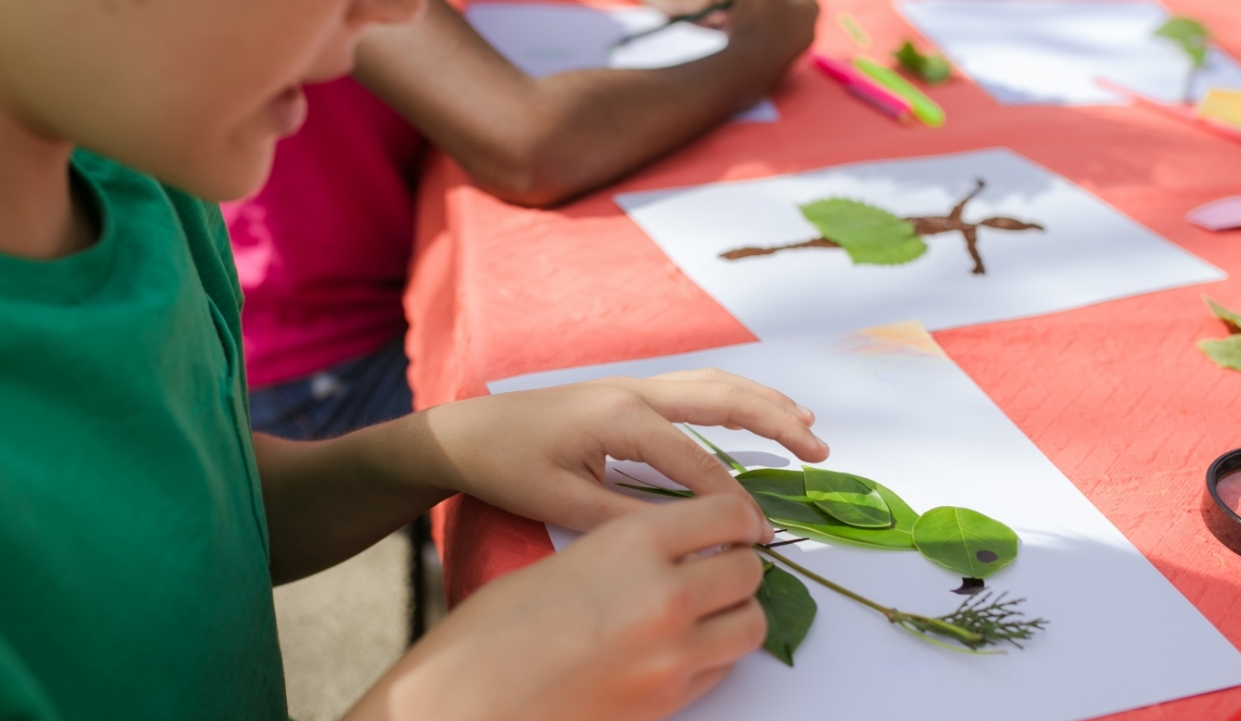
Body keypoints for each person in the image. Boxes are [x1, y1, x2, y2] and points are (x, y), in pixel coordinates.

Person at [0, 1, 830, 721]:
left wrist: (435, 447)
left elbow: (184, 529)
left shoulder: (140, 182)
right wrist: (458, 714)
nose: (392, 11)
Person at [229, 0, 818, 440]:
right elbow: (530, 146)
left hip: (342, 293)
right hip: (314, 364)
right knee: (676, 410)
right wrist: (758, 52)